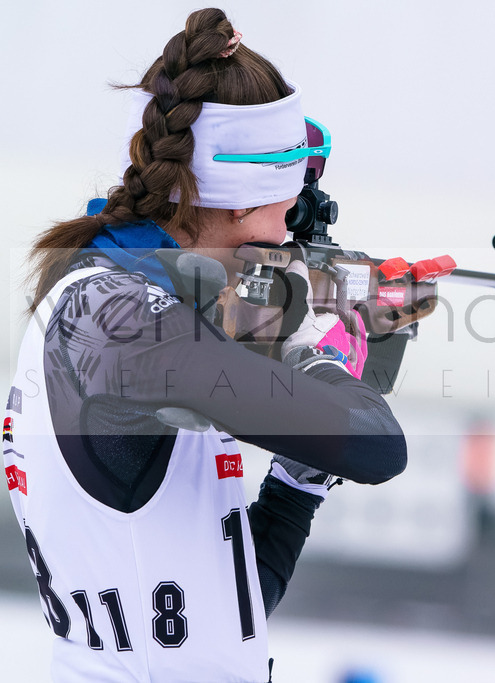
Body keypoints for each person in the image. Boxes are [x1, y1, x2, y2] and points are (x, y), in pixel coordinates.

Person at [4, 8, 406, 682]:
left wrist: (298, 480)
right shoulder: (121, 320)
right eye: (286, 202)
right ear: (242, 199)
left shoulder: (116, 300)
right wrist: (318, 357)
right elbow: (378, 447)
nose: (288, 230)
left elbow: (220, 618)